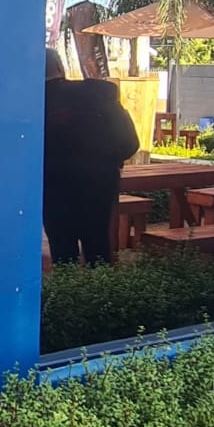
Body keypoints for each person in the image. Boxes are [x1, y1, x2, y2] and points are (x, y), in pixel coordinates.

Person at [42, 48, 141, 266]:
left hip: (54, 188)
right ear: (60, 67)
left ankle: (68, 286)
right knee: (98, 246)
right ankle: (100, 285)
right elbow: (130, 143)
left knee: (62, 250)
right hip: (99, 184)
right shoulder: (100, 96)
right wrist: (106, 161)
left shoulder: (34, 104)